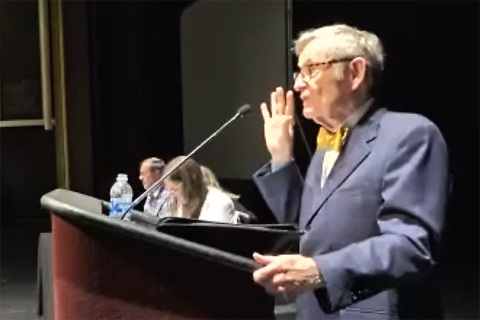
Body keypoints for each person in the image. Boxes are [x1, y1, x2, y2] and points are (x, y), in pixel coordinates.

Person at [251, 24, 449, 319]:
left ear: (355, 73)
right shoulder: (324, 148)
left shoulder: (410, 134)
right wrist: (281, 157)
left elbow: (411, 245)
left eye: (310, 69)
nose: (298, 85)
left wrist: (320, 270)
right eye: (298, 72)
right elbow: (306, 227)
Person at [163, 156, 238, 224]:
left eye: (174, 189)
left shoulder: (220, 203)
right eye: (168, 189)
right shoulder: (176, 202)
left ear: (191, 184)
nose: (171, 195)